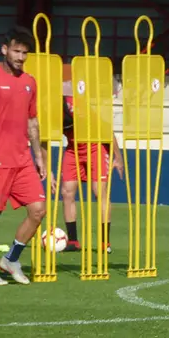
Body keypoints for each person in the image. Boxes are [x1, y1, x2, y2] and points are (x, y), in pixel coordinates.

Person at [0, 26, 47, 286]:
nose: (20, 57)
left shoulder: (29, 82)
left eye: (25, 53)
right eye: (16, 51)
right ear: (4, 49)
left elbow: (32, 121)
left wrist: (38, 156)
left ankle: (11, 259)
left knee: (38, 211)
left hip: (23, 160)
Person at [59, 95, 123, 253]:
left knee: (99, 192)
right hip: (73, 149)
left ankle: (104, 243)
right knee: (66, 192)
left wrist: (118, 157)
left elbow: (105, 128)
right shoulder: (45, 111)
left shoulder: (73, 105)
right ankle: (73, 241)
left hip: (95, 146)